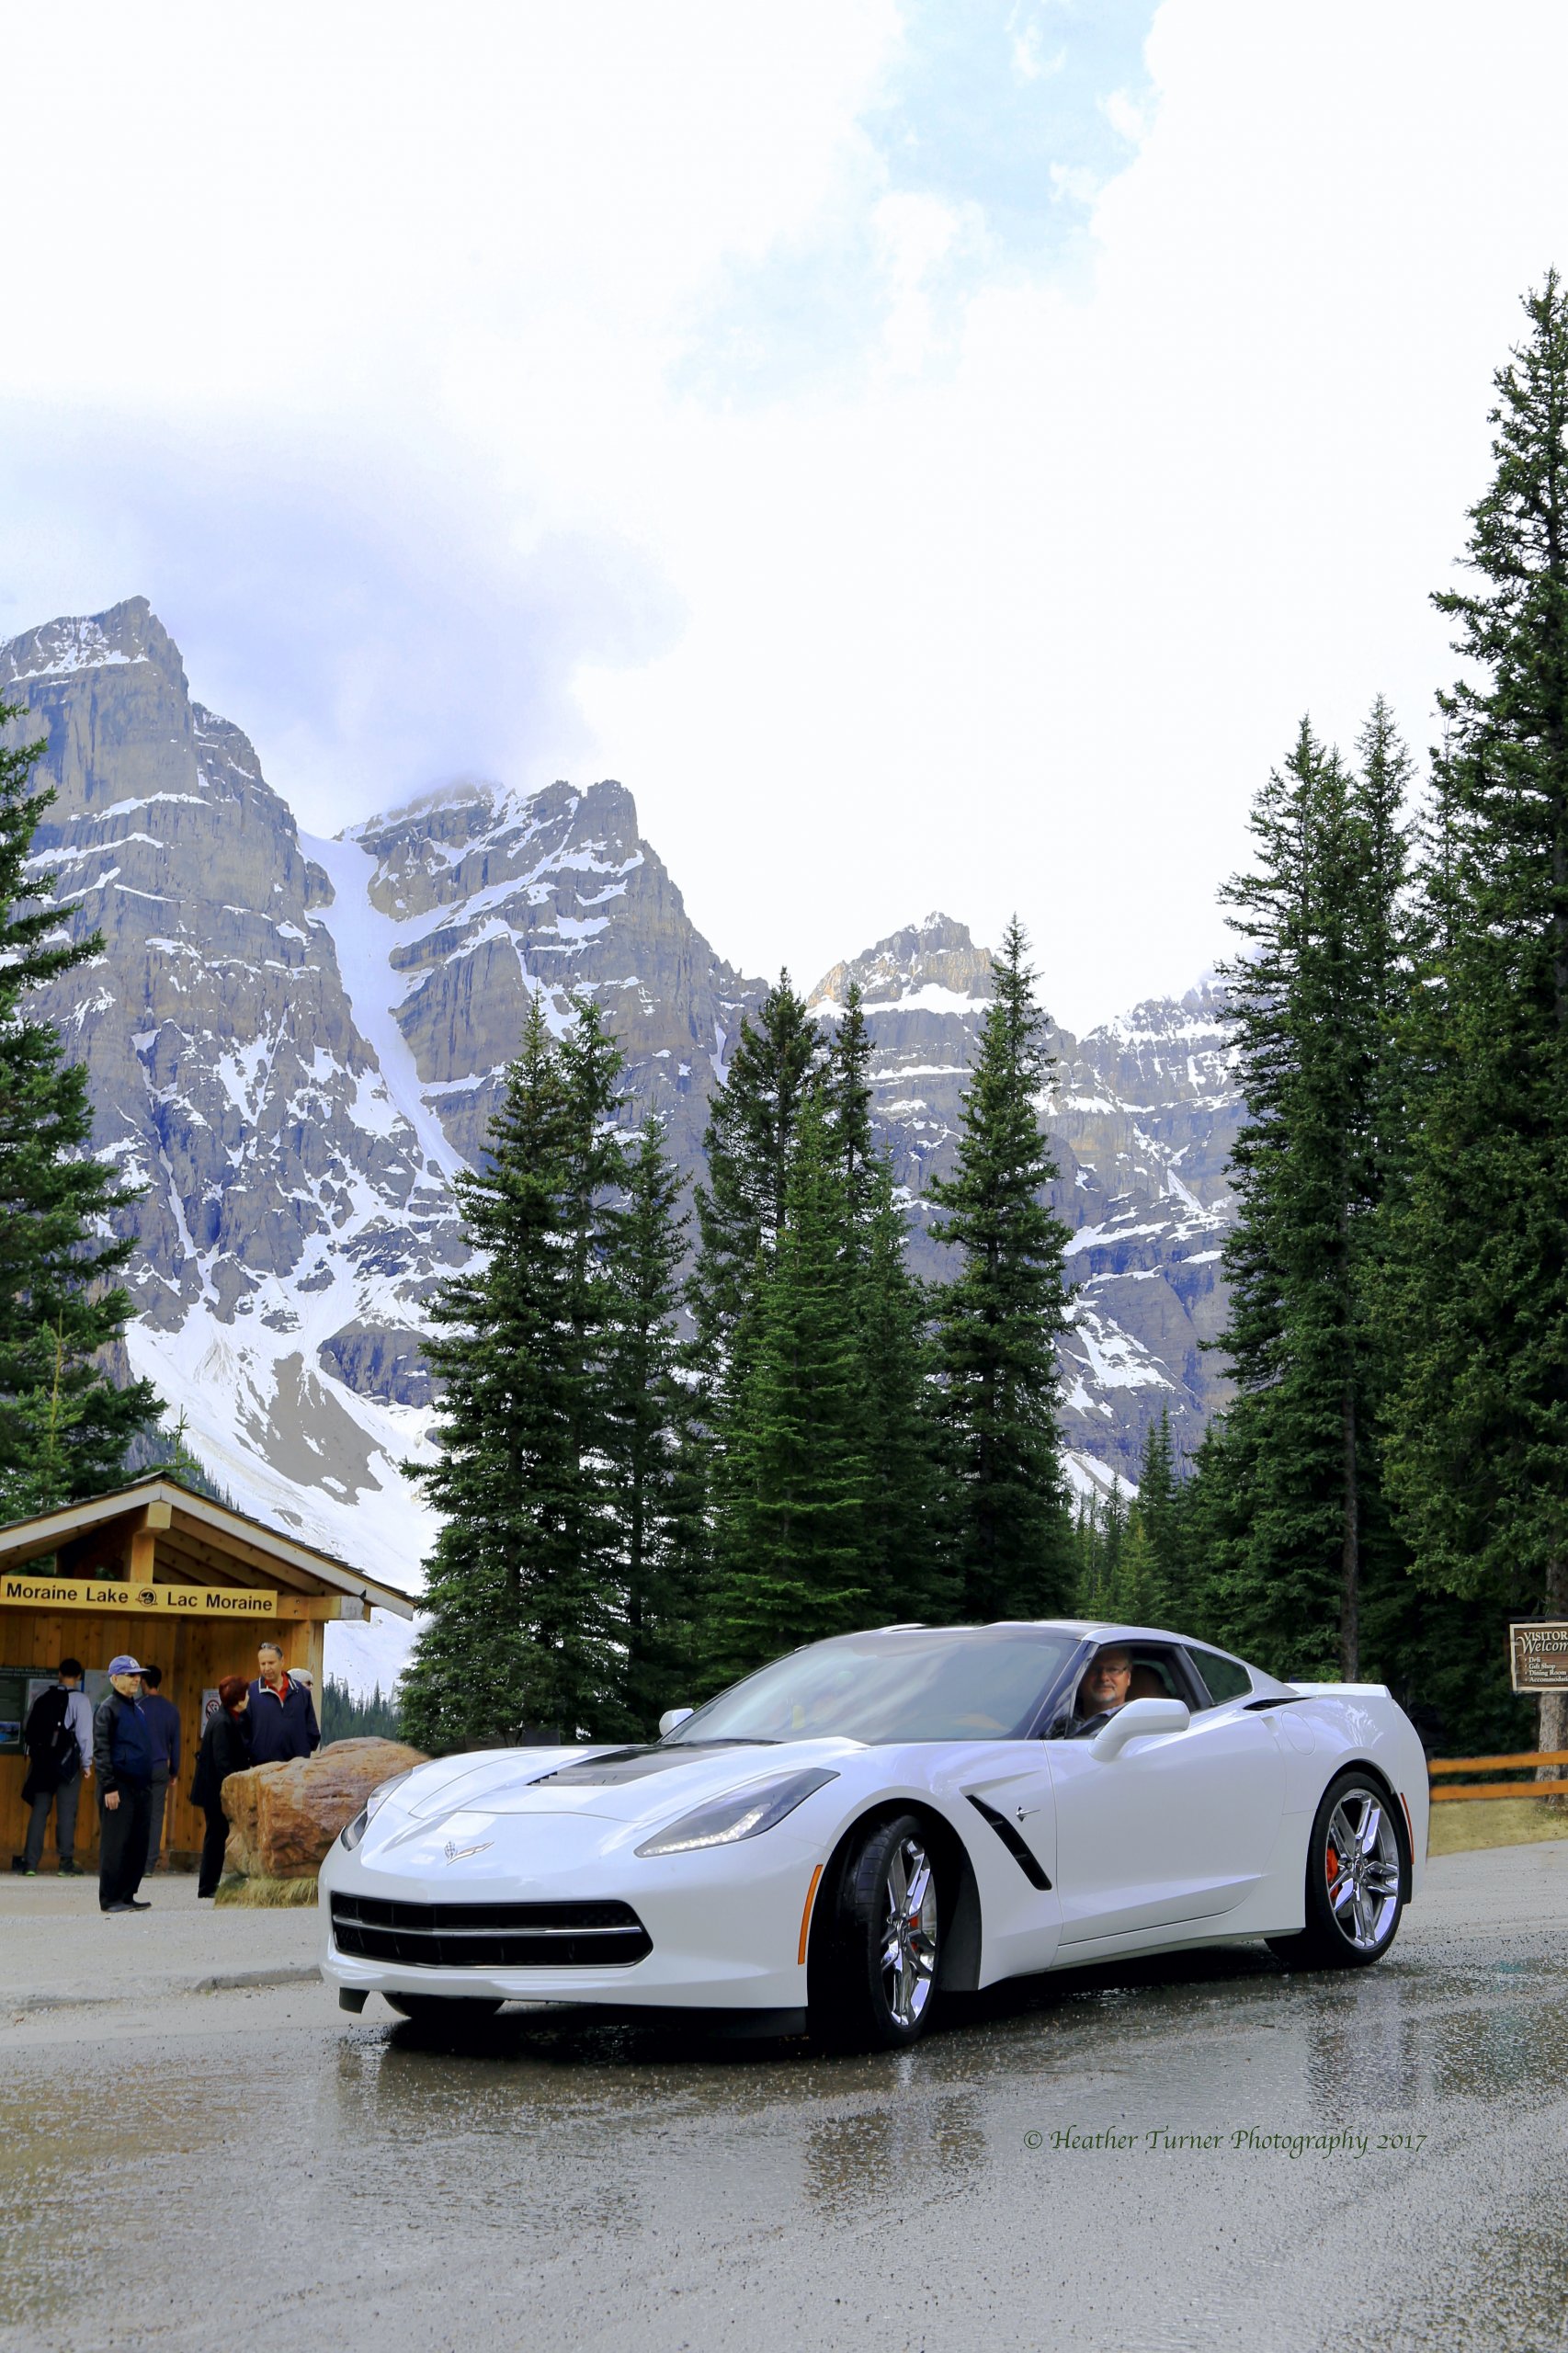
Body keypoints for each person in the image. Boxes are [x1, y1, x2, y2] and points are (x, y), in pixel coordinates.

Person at [20, 1658, 93, 1876]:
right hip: (67, 1764)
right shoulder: (80, 1700)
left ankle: (31, 1864)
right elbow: (84, 1735)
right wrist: (87, 1763)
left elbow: (27, 1725)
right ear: (79, 1676)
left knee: (39, 1811)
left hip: (43, 1762)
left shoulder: (43, 1695)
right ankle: (65, 1864)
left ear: (60, 1673)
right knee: (66, 1812)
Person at [94, 1655, 154, 1914]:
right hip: (118, 1786)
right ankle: (110, 1899)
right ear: (114, 1678)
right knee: (115, 1844)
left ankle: (128, 1895)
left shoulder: (137, 1708)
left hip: (141, 1786)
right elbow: (102, 1750)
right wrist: (109, 1786)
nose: (136, 1679)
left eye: (138, 1675)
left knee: (138, 1843)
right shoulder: (107, 1709)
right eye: (130, 1675)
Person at [189, 1677, 251, 1898]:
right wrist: (234, 1789)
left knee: (216, 1835)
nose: (249, 1697)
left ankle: (209, 1884)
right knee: (215, 1836)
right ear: (239, 1697)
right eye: (246, 1693)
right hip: (215, 1792)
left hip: (216, 1790)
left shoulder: (229, 1718)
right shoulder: (223, 1722)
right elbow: (222, 1761)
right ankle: (207, 1886)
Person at [138, 1664, 181, 1874]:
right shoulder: (171, 1710)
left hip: (139, 1768)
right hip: (161, 1767)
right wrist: (175, 1771)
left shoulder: (137, 1707)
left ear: (144, 1682)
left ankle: (134, 1860)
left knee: (137, 1813)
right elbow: (176, 1744)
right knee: (156, 1815)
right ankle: (149, 1863)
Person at [246, 1641, 320, 1765]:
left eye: (271, 1663)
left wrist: (303, 1750)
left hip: (296, 1769)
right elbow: (243, 1732)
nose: (266, 1668)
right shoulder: (251, 1693)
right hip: (262, 1770)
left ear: (282, 1661)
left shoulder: (301, 1692)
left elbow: (312, 1730)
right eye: (262, 1664)